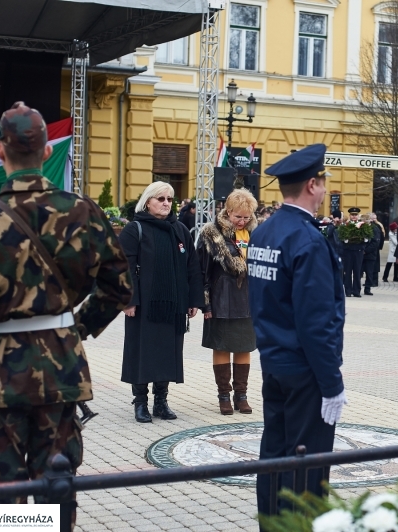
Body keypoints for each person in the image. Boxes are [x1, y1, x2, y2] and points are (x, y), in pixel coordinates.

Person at [0, 103, 132, 521]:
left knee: (1, 496)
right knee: (56, 484)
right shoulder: (83, 211)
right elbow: (119, 287)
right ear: (48, 152)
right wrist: (76, 326)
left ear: (0, 152)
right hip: (62, 371)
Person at [247, 144, 346, 517]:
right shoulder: (307, 239)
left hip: (273, 361)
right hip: (305, 371)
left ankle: (272, 525)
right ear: (311, 185)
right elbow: (315, 322)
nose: (324, 192)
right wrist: (332, 383)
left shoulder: (265, 232)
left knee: (274, 454)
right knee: (307, 465)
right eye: (322, 184)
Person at [119, 182, 205, 423]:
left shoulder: (179, 230)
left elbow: (192, 268)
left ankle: (161, 401)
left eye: (169, 199)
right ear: (148, 202)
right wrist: (129, 300)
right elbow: (123, 269)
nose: (166, 203)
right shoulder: (134, 230)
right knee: (142, 352)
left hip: (174, 307)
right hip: (144, 305)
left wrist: (194, 300)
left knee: (168, 353)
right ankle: (140, 402)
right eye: (160, 199)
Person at [198, 189, 258, 415]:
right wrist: (205, 303)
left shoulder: (257, 234)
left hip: (248, 300)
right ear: (228, 211)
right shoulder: (211, 233)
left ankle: (241, 395)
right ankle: (224, 395)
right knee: (221, 346)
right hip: (220, 299)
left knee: (245, 346)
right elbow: (202, 271)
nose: (242, 221)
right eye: (238, 216)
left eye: (246, 217)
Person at [340, 207, 366, 298]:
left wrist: (364, 238)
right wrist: (346, 239)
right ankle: (348, 290)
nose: (354, 216)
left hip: (358, 251)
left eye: (355, 215)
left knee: (357, 271)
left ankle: (356, 291)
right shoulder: (345, 225)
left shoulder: (363, 225)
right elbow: (342, 238)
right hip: (348, 251)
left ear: (358, 216)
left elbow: (367, 239)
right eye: (352, 215)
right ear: (350, 216)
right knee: (347, 271)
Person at [362, 214, 382, 296]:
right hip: (361, 253)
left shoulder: (375, 228)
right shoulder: (361, 227)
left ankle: (367, 288)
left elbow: (375, 242)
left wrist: (366, 250)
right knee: (358, 272)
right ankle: (356, 288)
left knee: (369, 272)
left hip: (370, 254)